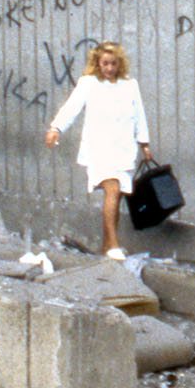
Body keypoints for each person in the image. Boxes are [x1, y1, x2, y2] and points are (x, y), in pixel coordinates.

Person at [44, 41, 155, 259]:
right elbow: (71, 107)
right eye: (105, 63)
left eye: (113, 64)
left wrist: (145, 144)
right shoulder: (89, 83)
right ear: (98, 63)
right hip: (99, 148)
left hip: (124, 148)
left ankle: (106, 247)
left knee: (118, 195)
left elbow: (139, 114)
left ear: (119, 64)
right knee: (112, 190)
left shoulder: (130, 85)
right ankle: (114, 245)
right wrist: (55, 128)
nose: (109, 68)